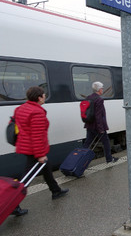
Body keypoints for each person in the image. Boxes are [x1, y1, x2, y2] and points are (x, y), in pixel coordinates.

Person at [13, 86, 69, 216]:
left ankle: (56, 190)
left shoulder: (20, 108)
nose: (45, 97)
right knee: (27, 177)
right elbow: (37, 135)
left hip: (26, 146)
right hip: (34, 149)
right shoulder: (37, 112)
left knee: (46, 168)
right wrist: (40, 154)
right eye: (44, 95)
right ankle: (13, 204)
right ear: (39, 98)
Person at [83, 82, 119, 163]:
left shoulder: (88, 97)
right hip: (97, 126)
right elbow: (98, 115)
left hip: (89, 125)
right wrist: (101, 128)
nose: (103, 89)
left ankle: (79, 159)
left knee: (87, 144)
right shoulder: (99, 99)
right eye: (102, 88)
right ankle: (109, 159)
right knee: (106, 142)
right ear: (99, 90)